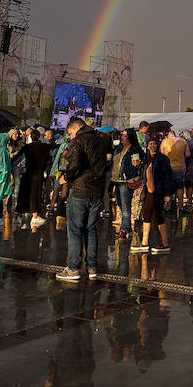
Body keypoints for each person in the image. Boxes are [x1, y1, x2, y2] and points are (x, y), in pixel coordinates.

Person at [56, 117, 110, 282]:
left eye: (70, 133)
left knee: (75, 230)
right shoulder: (100, 141)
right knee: (91, 229)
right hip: (97, 191)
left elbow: (75, 164)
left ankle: (73, 269)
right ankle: (92, 267)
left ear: (76, 128)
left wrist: (66, 177)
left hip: (80, 190)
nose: (70, 137)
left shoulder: (77, 141)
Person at [138, 138, 172, 254]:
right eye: (150, 144)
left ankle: (165, 244)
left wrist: (167, 194)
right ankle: (144, 242)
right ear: (147, 146)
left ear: (157, 145)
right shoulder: (145, 158)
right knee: (146, 215)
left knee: (158, 216)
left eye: (154, 144)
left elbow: (168, 177)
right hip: (148, 191)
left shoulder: (163, 159)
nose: (152, 146)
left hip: (159, 190)